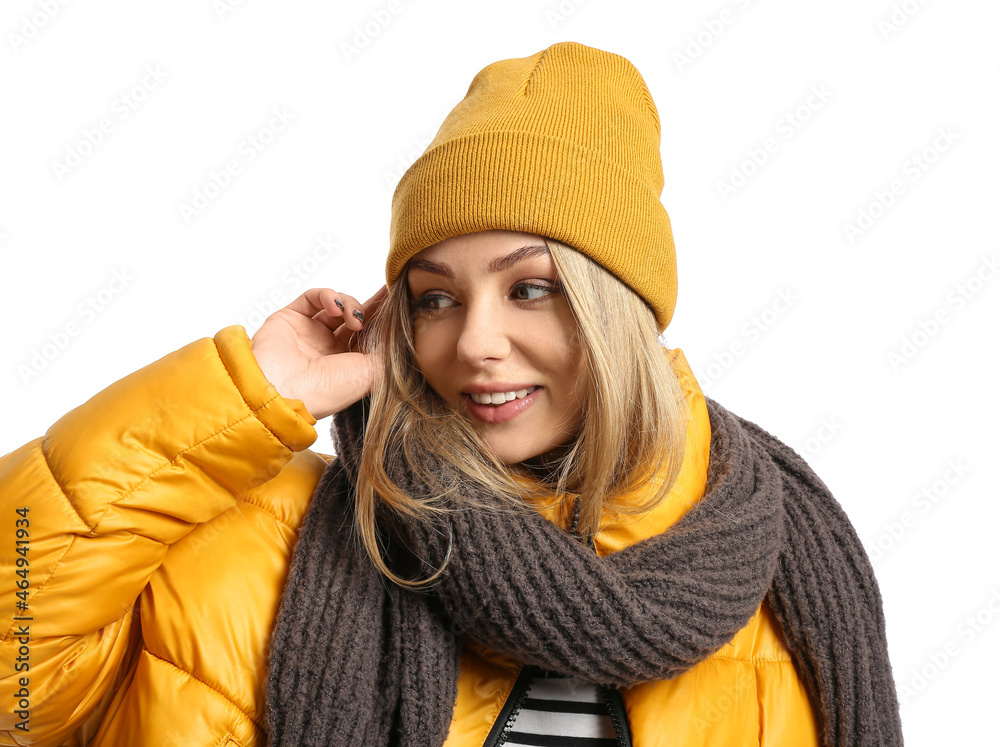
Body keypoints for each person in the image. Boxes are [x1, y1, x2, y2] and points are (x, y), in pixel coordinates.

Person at [0, 41, 903, 747]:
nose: (472, 342)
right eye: (435, 297)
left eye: (532, 288)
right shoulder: (256, 533)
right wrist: (249, 394)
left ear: (621, 312)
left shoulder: (785, 579)